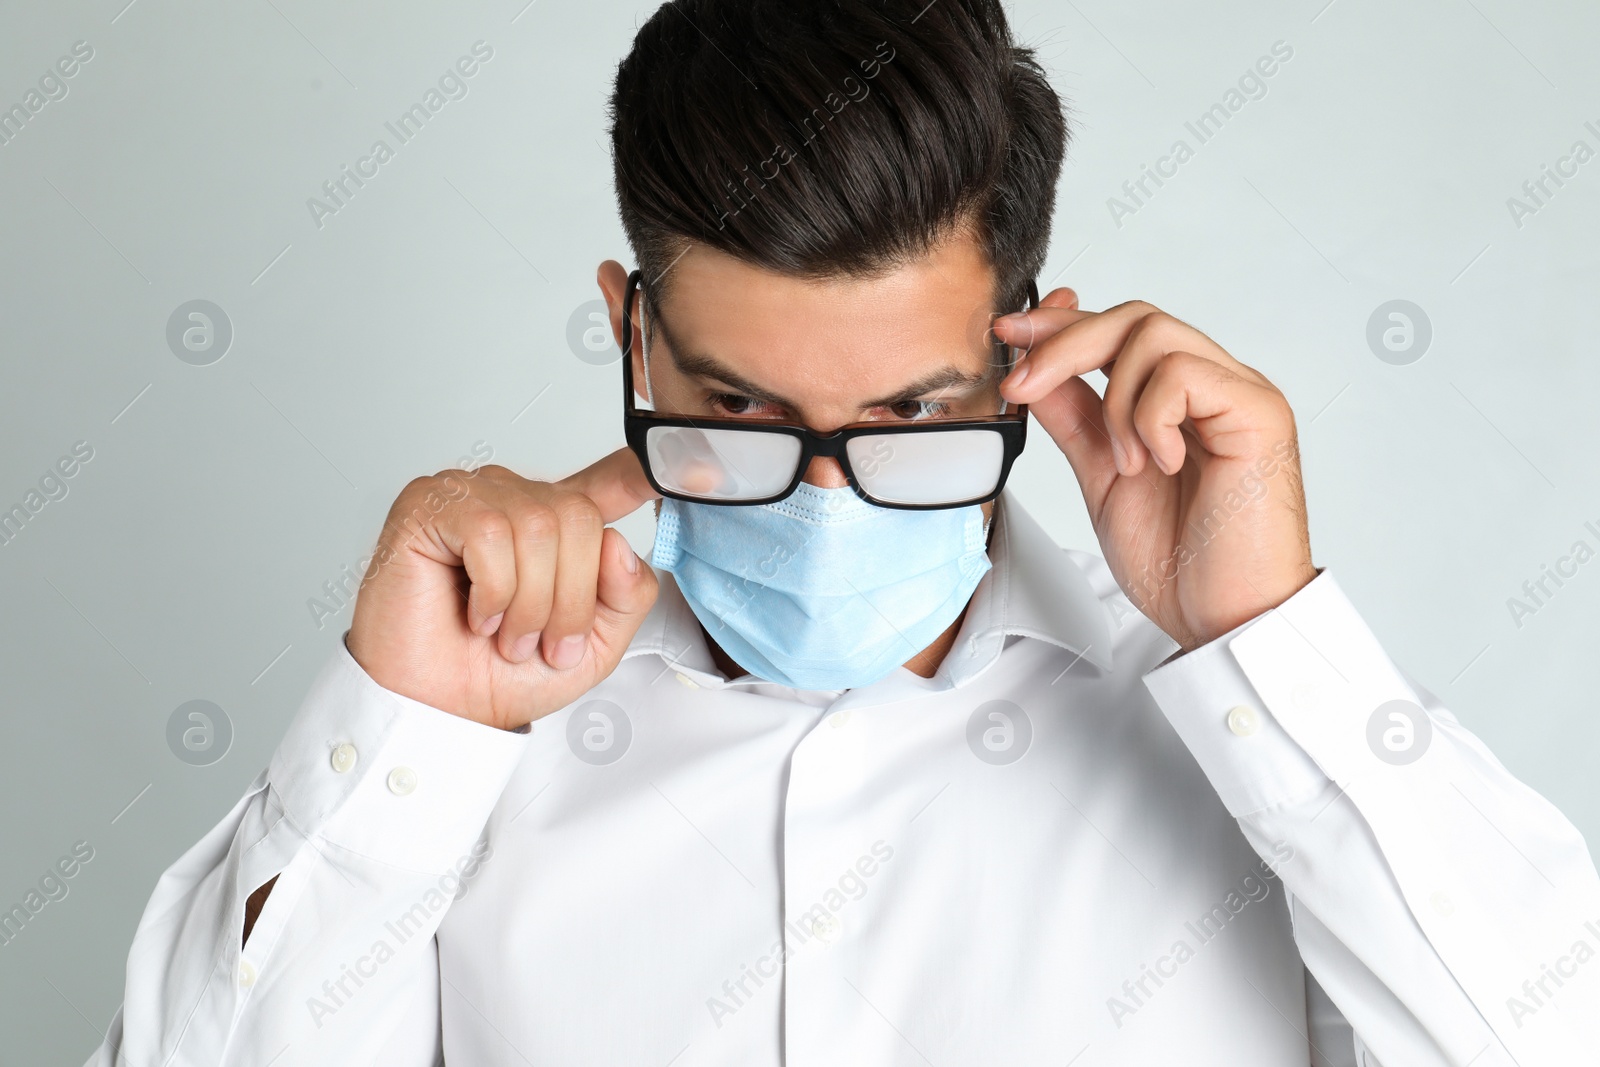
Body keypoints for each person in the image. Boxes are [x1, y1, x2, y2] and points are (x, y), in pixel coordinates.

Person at [88, 1, 1600, 1063]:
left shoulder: (1259, 753)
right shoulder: (460, 762)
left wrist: (1271, 644)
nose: (822, 502)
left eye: (906, 421)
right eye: (738, 414)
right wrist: (406, 730)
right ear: (631, 335)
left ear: (1027, 354)